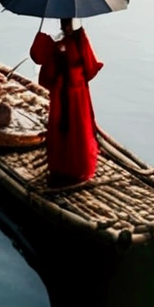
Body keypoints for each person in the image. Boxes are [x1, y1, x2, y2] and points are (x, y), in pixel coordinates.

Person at [31, 17, 102, 185]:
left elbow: (90, 68)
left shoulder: (80, 40)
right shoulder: (57, 41)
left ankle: (77, 169)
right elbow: (38, 57)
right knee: (62, 130)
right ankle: (61, 168)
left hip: (76, 94)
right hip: (64, 93)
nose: (67, 26)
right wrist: (44, 34)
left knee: (77, 130)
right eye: (65, 23)